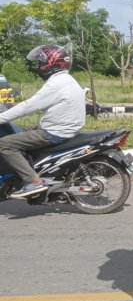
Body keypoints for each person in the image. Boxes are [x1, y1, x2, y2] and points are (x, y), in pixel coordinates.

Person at [0, 45, 85, 198]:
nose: (38, 66)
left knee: (5, 144)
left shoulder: (56, 84)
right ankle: (20, 171)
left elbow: (28, 106)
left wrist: (2, 117)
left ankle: (33, 181)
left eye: (40, 62)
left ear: (51, 63)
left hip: (54, 131)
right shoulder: (65, 79)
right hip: (59, 126)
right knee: (16, 130)